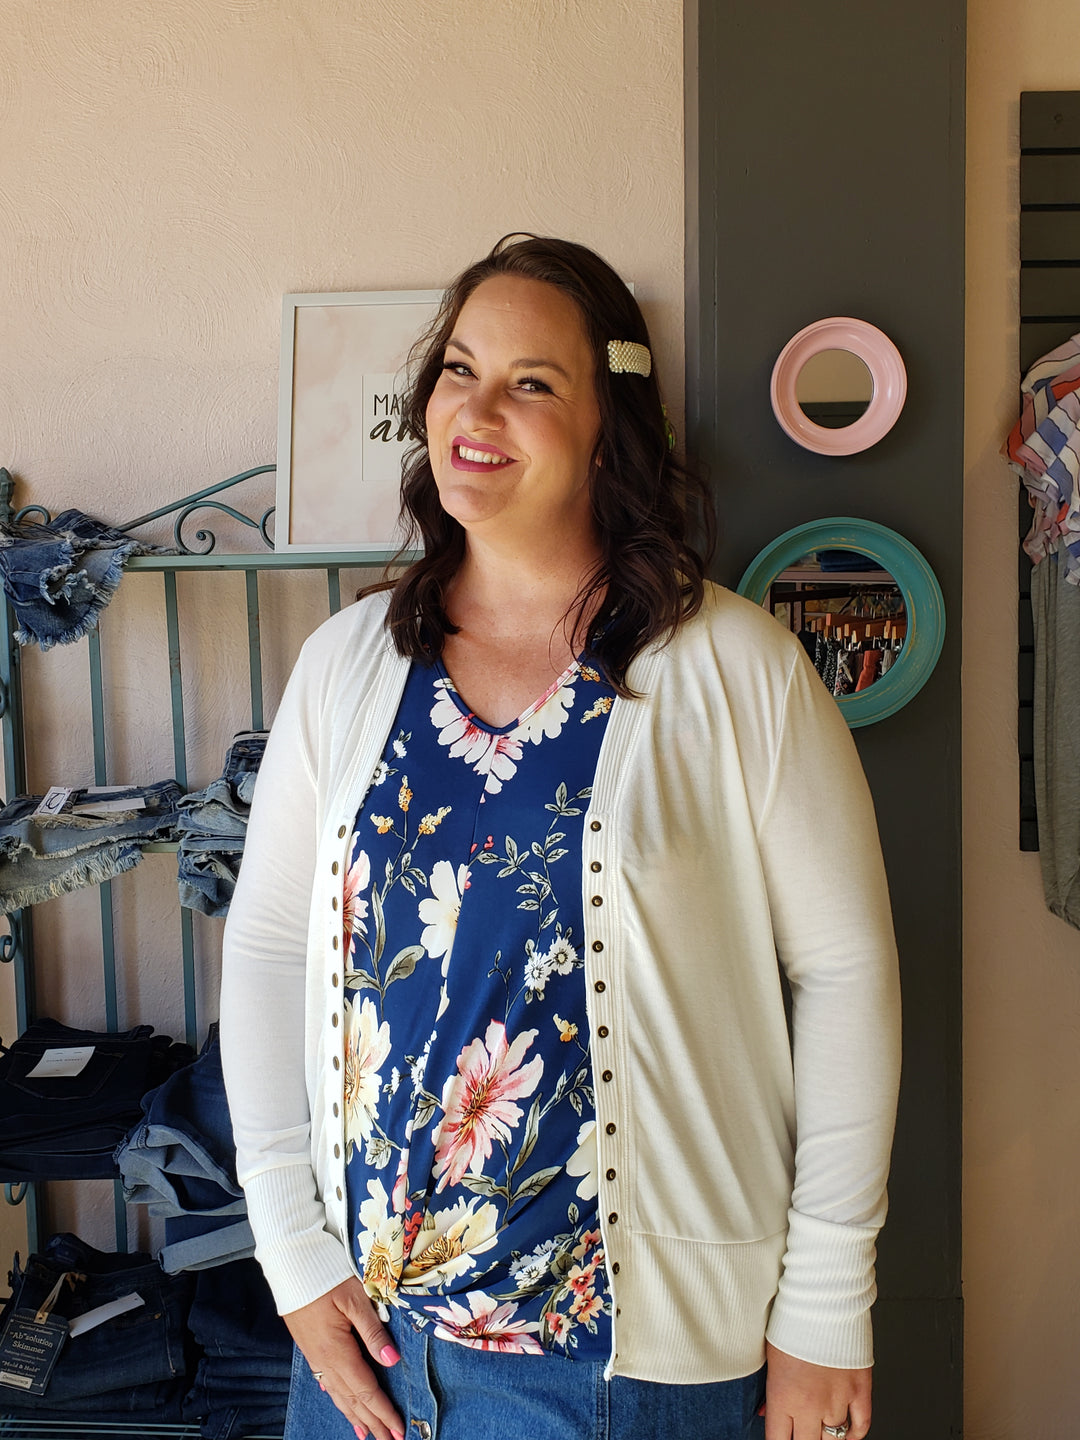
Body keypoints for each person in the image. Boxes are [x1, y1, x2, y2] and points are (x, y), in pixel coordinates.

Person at [220, 234, 901, 1440]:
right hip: (373, 1359)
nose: (477, 410)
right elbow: (272, 947)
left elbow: (844, 974)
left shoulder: (737, 669)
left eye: (532, 382)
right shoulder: (348, 664)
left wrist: (826, 1302)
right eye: (458, 369)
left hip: (621, 1377)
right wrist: (289, 1248)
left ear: (608, 428)